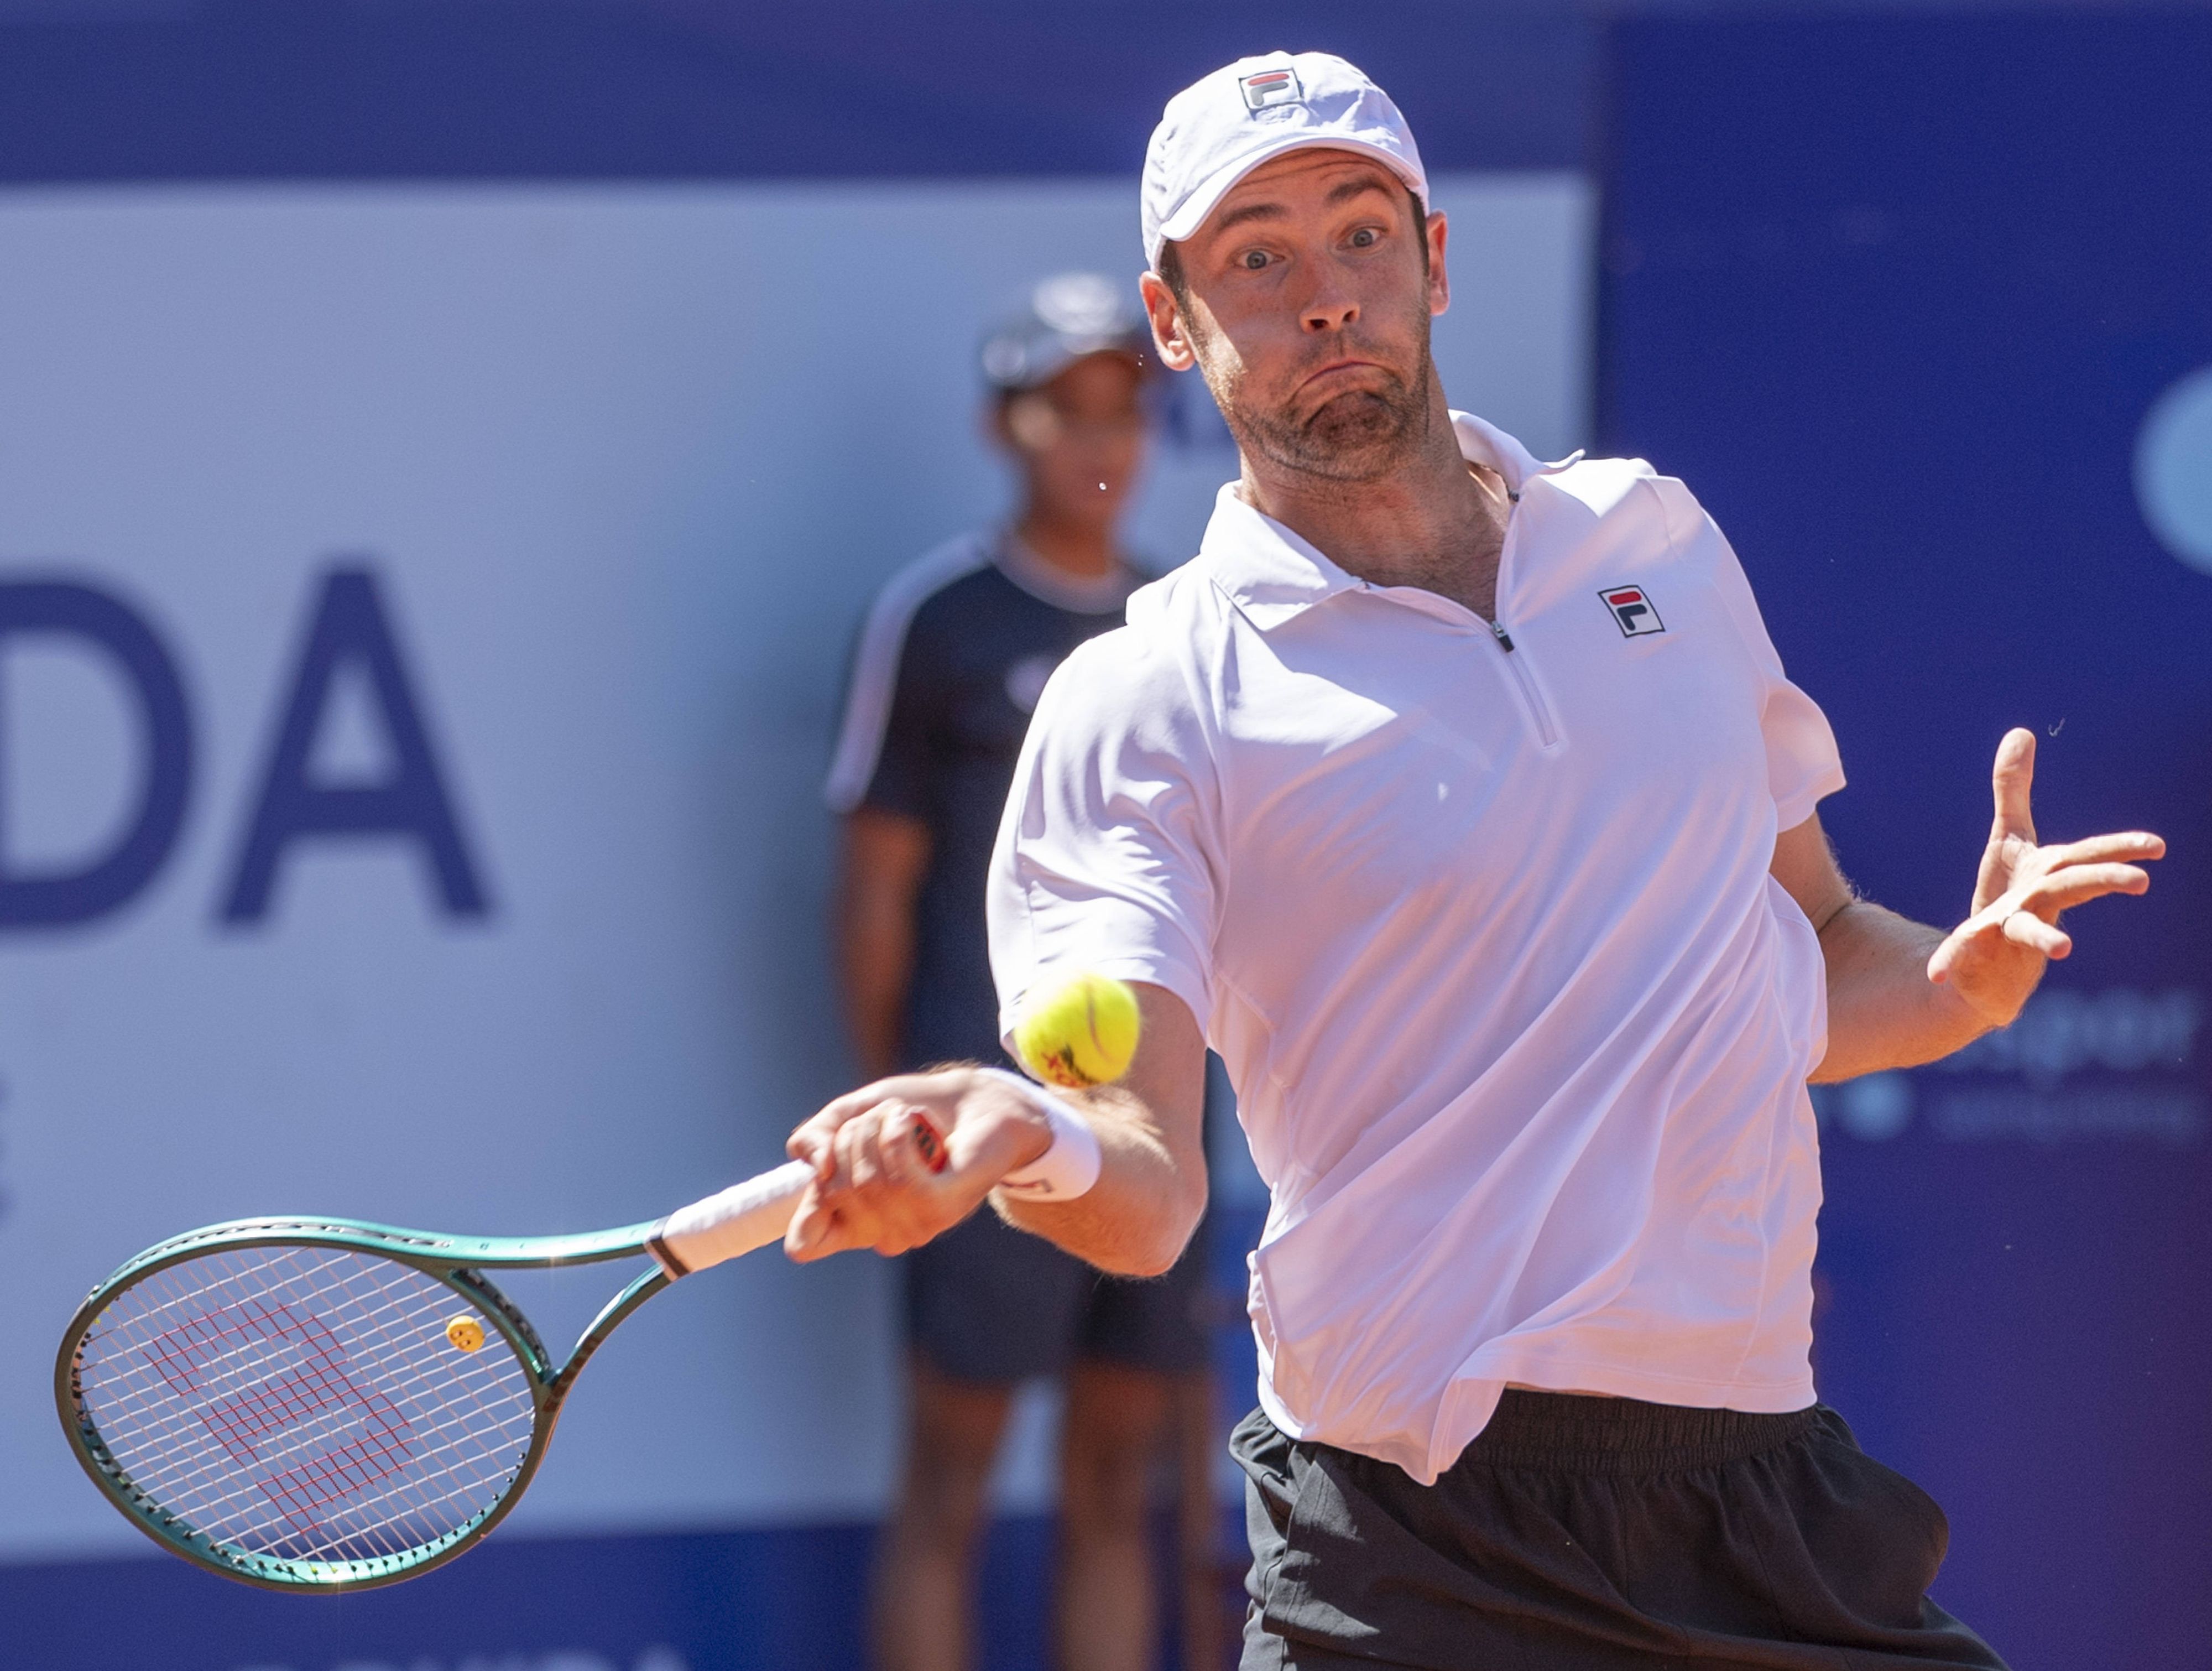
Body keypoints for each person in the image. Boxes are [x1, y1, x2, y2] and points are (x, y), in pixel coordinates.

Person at [791, 52, 2165, 1671]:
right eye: (1257, 255)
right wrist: (1033, 1130)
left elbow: (1818, 959)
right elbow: (1145, 1187)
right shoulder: (1145, 694)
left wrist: (1956, 973)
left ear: (1435, 260)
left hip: (1761, 1486)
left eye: (1361, 234)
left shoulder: (1655, 540)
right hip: (1416, 1547)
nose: (1325, 296)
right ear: (1176, 323)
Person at [824, 272, 1212, 1671]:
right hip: (966, 1123)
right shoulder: (938, 622)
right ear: (1006, 425)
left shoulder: (1184, 623)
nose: (1099, 441)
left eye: (1128, 407)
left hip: (1155, 1131)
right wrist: (892, 1108)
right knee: (951, 1483)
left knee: (1118, 1482)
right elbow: (873, 889)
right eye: (1067, 409)